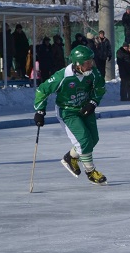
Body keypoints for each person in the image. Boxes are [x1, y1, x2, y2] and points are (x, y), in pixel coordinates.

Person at [32, 45, 108, 184]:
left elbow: (100, 88)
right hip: (67, 111)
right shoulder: (62, 76)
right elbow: (42, 90)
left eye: (91, 61)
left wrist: (92, 103)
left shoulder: (93, 73)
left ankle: (70, 157)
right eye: (87, 63)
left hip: (85, 108)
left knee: (93, 139)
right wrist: (40, 111)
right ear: (78, 64)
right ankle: (91, 172)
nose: (90, 65)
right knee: (84, 141)